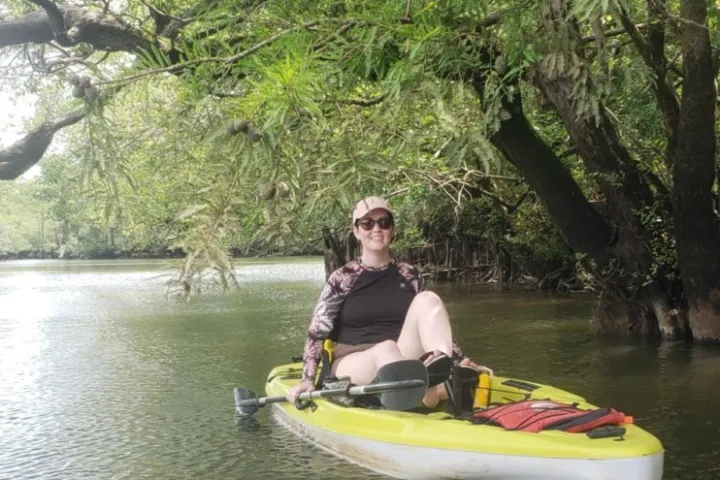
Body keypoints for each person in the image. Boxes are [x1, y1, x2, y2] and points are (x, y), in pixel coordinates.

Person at [287, 196, 492, 408]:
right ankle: (432, 392)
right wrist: (307, 380)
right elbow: (316, 333)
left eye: (383, 223)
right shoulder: (342, 278)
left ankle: (442, 374)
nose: (376, 228)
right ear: (356, 231)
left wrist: (461, 360)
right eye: (367, 223)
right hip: (354, 362)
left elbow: (434, 324)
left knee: (428, 300)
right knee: (386, 349)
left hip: (402, 357)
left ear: (392, 230)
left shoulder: (410, 275)